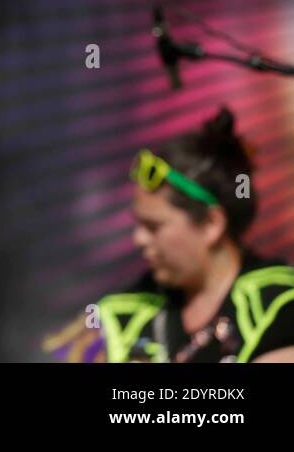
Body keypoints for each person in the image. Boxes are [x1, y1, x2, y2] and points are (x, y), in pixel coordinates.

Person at [44, 106, 294, 362]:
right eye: (138, 224)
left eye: (154, 227)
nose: (138, 239)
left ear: (211, 223)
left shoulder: (279, 304)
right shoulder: (123, 313)